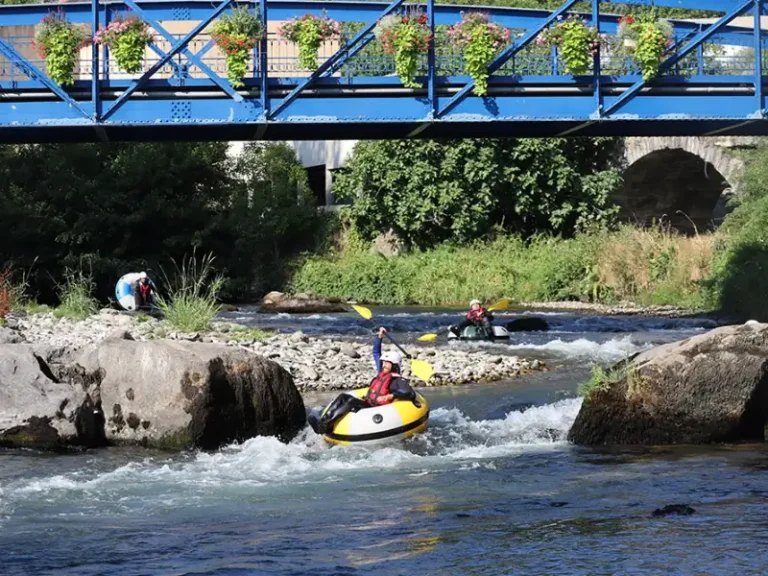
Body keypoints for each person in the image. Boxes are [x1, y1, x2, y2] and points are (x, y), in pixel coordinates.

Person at [308, 327, 419, 435]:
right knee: (343, 397)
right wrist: (379, 337)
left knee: (350, 401)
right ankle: (324, 422)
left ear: (394, 365)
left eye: (387, 362)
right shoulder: (382, 372)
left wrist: (391, 396)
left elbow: (410, 393)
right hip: (368, 403)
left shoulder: (397, 380)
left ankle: (324, 426)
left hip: (377, 409)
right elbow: (376, 353)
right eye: (383, 362)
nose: (383, 364)